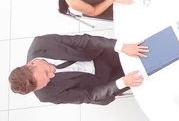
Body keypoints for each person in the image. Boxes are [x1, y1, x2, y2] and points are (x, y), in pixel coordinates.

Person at [8, 34, 147, 105]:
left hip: (100, 54)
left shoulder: (42, 43)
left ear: (31, 63)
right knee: (147, 73)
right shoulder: (46, 95)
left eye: (46, 72)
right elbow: (88, 96)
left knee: (144, 51)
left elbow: (84, 41)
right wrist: (122, 82)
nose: (52, 74)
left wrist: (122, 47)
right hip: (104, 84)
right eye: (47, 79)